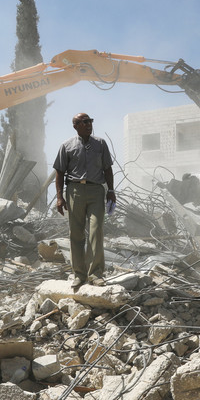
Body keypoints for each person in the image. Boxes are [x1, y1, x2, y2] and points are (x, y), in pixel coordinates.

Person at [53, 112, 116, 288]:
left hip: (96, 190)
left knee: (96, 231)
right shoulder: (66, 146)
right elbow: (59, 172)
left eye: (90, 121)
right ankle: (79, 275)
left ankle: (95, 274)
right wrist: (59, 197)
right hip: (75, 191)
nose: (89, 124)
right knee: (76, 233)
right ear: (76, 126)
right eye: (85, 122)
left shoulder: (100, 144)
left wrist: (110, 190)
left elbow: (108, 169)